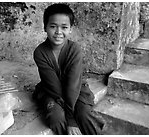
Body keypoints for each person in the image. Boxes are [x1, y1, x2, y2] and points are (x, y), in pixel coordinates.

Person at [33, 3, 105, 135]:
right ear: (45, 27)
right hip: (52, 91)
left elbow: (73, 85)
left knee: (84, 114)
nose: (58, 32)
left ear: (70, 29)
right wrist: (69, 118)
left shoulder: (74, 50)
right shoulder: (40, 52)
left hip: (76, 89)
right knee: (56, 118)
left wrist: (71, 120)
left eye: (64, 27)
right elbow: (54, 86)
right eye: (53, 26)